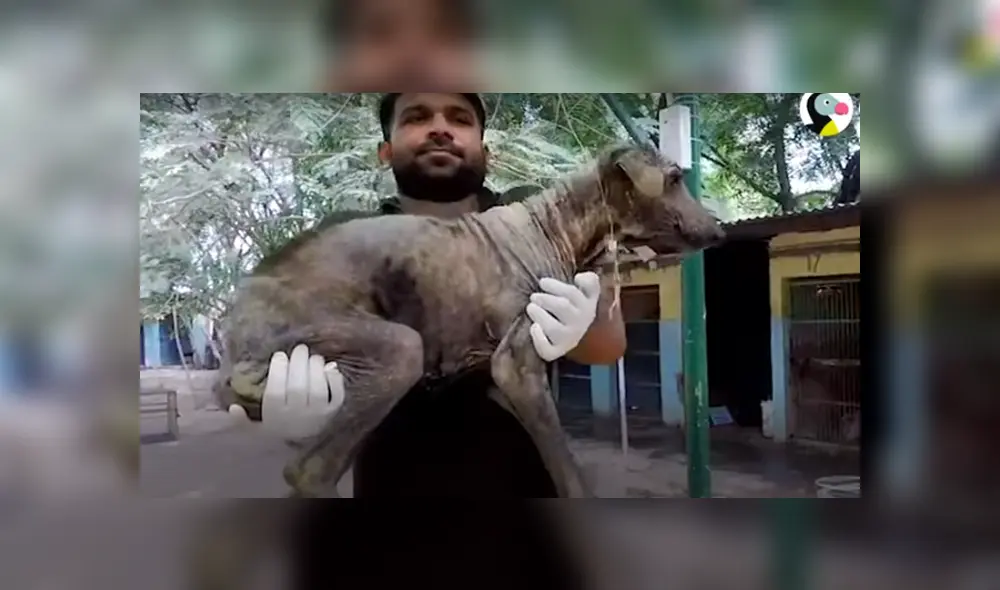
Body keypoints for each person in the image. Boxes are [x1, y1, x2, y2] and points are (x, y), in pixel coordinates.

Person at [230, 93, 626, 496]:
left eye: (459, 118)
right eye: (417, 117)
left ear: (485, 153)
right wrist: (296, 417)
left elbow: (610, 345)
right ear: (385, 152)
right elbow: (279, 352)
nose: (440, 128)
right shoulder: (347, 236)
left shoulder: (538, 221)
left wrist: (581, 325)